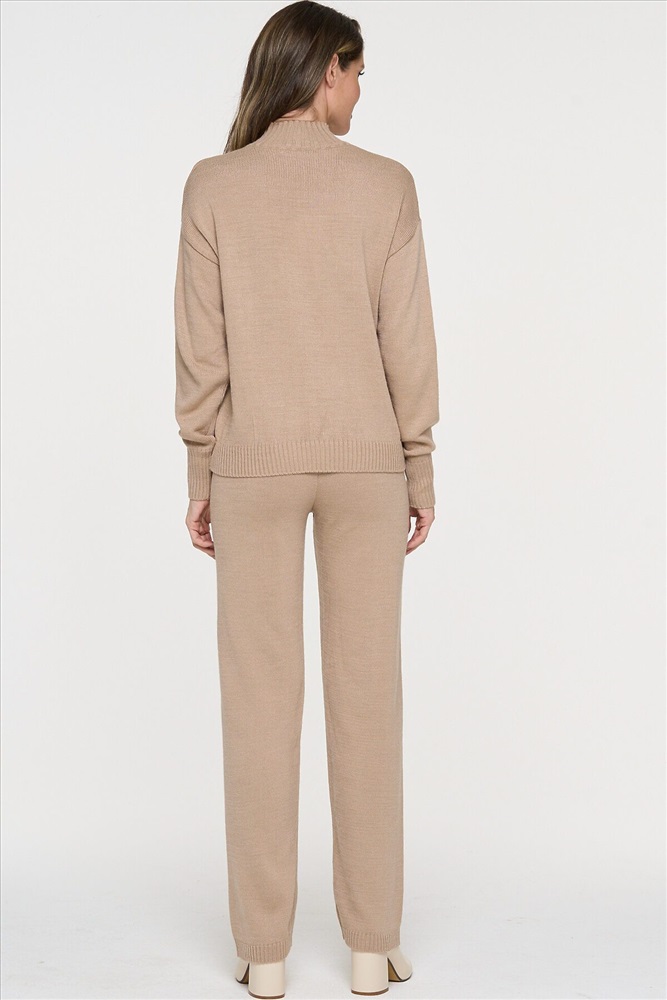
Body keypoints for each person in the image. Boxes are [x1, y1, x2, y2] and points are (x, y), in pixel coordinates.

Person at [174, 1, 440, 996]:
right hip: (368, 464)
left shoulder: (212, 186)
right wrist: (418, 464)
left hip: (252, 465)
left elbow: (201, 352)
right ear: (327, 69)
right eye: (357, 72)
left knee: (258, 702)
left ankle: (265, 952)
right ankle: (371, 944)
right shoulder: (386, 186)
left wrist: (201, 470)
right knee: (368, 698)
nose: (361, 91)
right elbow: (406, 340)